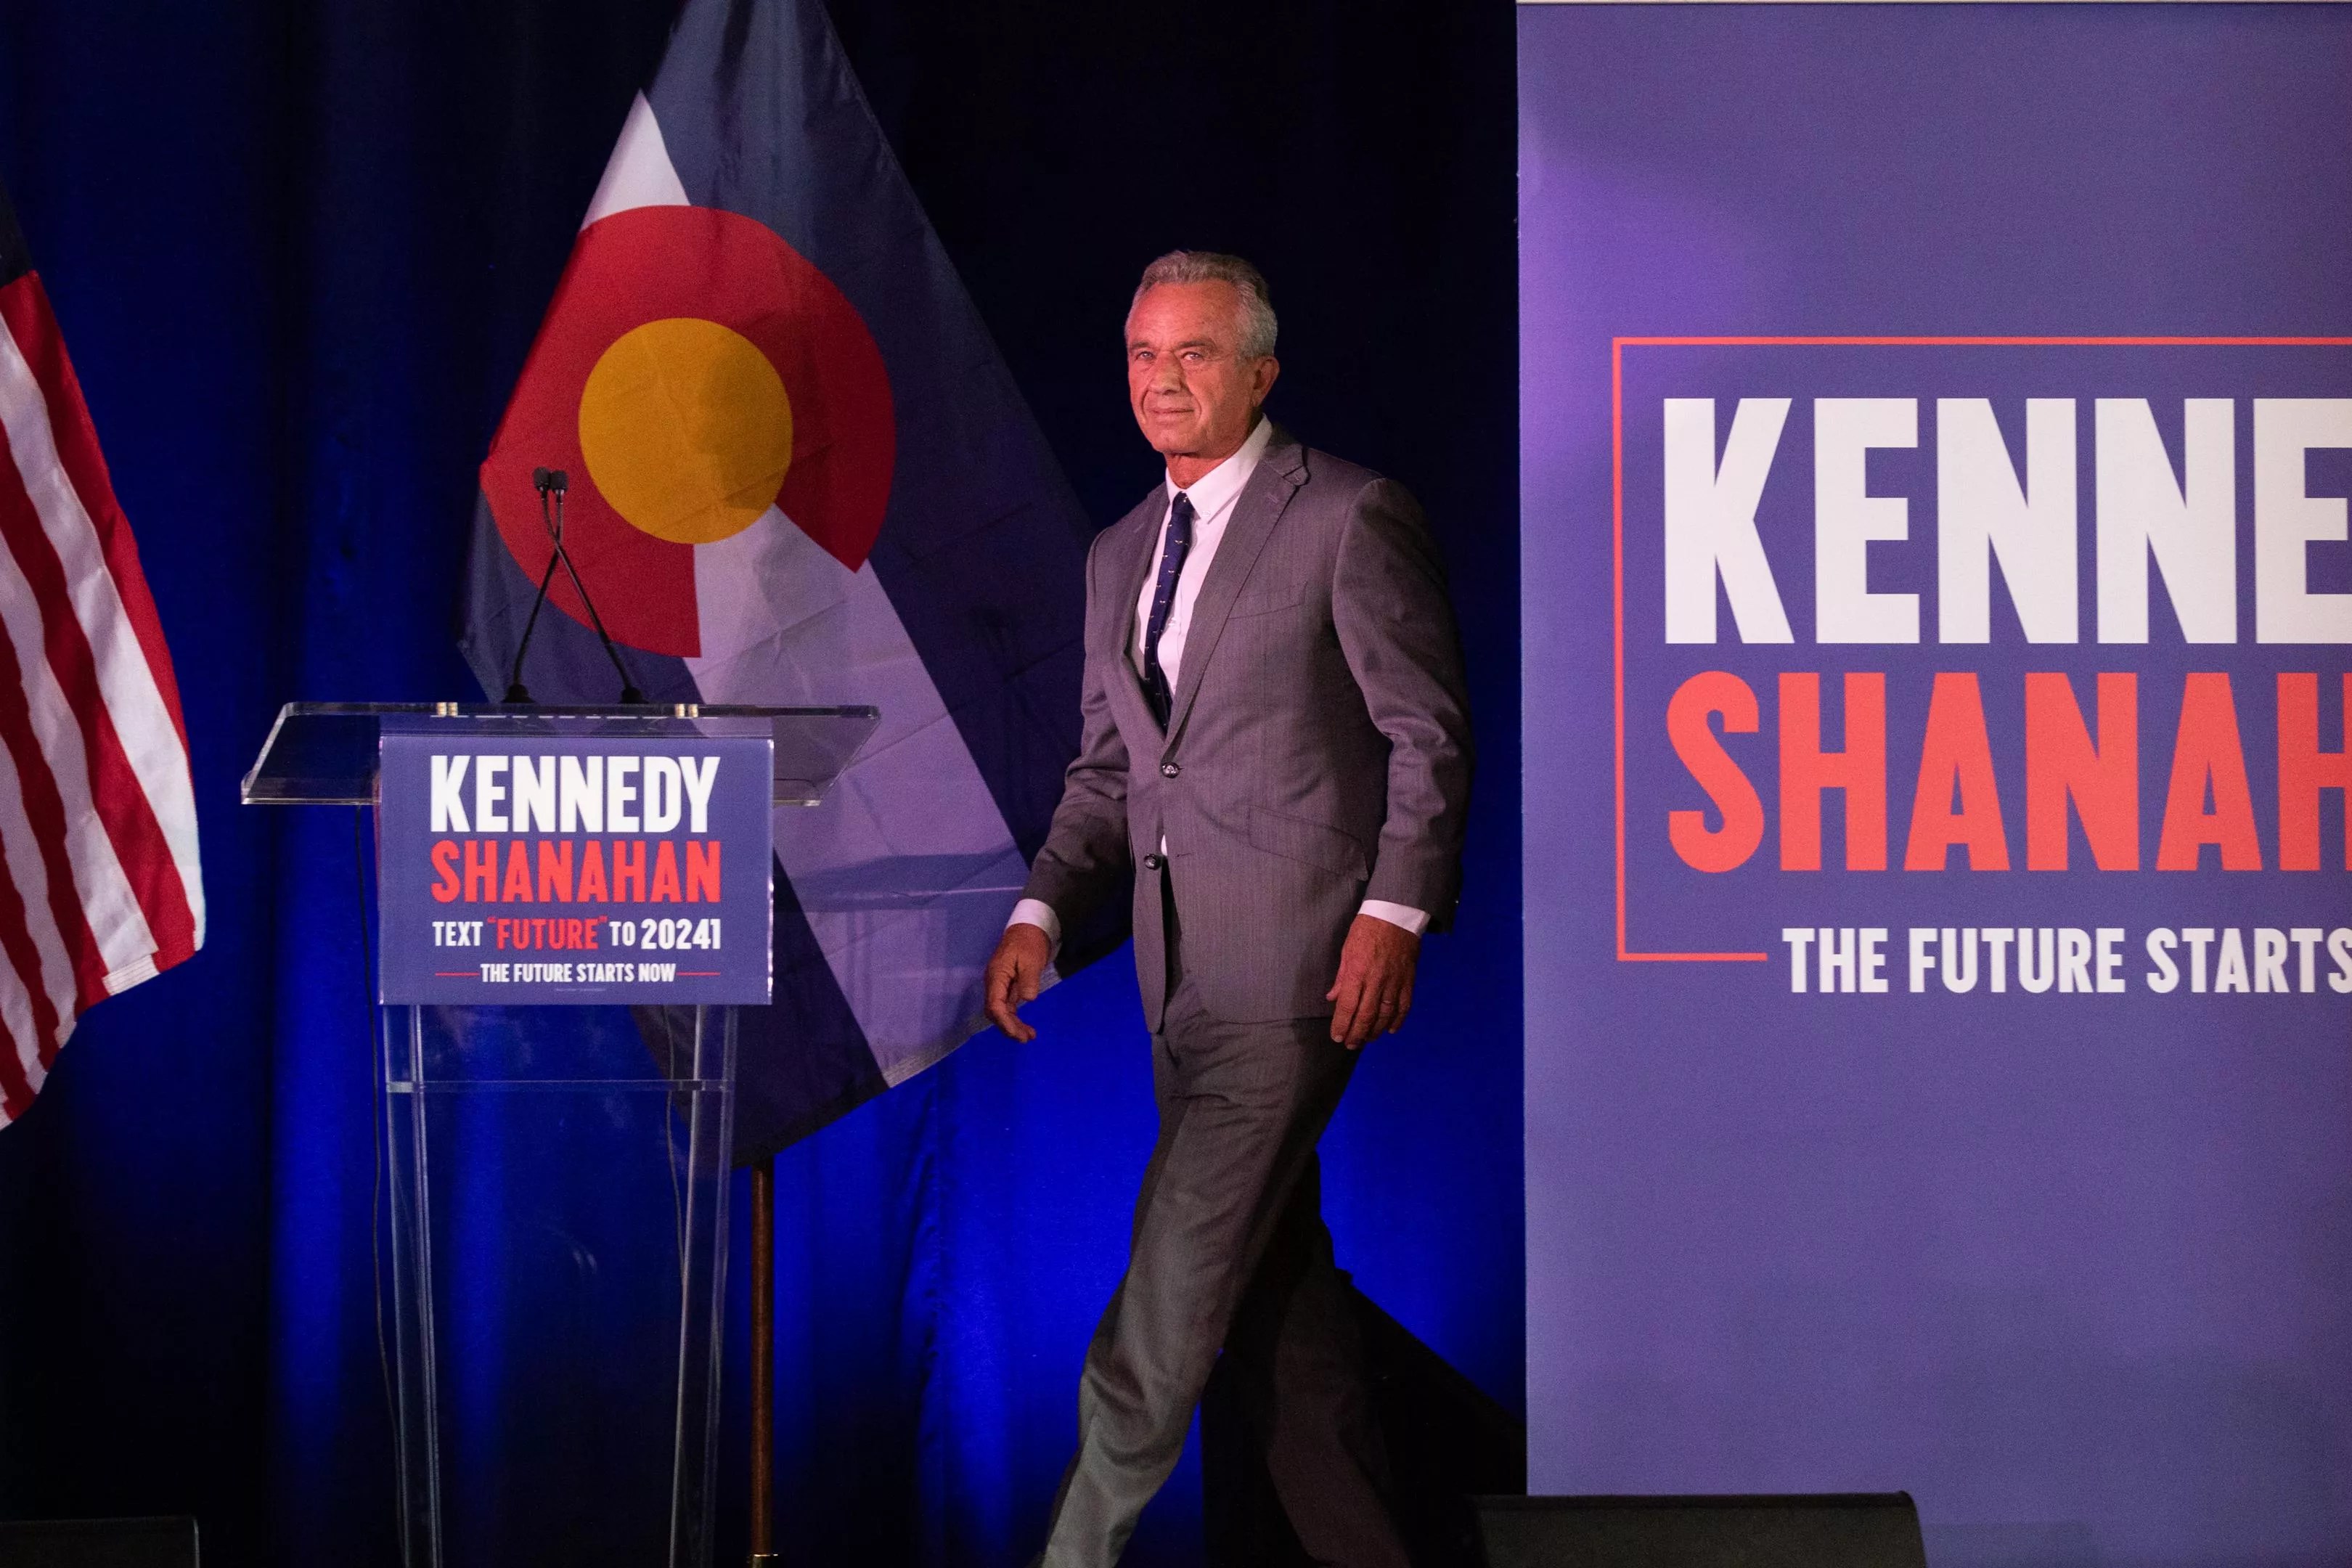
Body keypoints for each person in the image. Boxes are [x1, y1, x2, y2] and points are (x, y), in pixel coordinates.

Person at [984, 250, 1473, 1568]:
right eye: (1144, 355)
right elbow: (1110, 769)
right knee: (1279, 1326)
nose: (1163, 381)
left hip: (1295, 974)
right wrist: (1039, 911)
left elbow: (1426, 735)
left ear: (1259, 370)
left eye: (1193, 354)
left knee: (1166, 1308)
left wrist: (1395, 912)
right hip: (1174, 982)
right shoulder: (1119, 554)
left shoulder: (1348, 516)